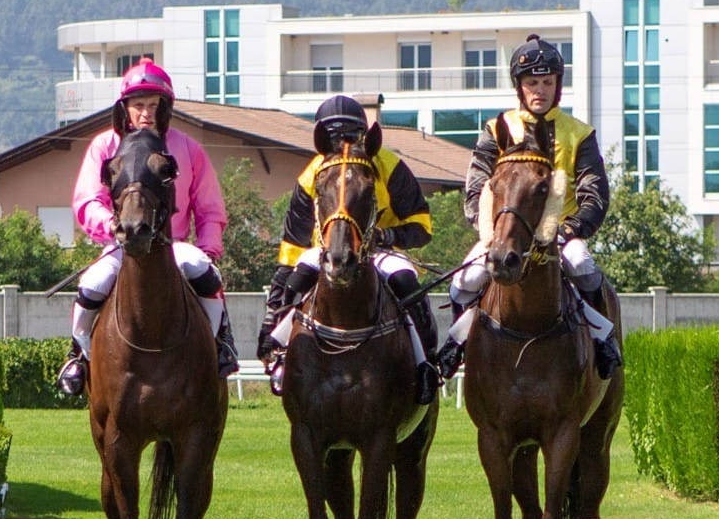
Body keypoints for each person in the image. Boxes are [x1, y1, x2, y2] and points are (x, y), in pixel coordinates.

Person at [435, 34, 622, 380]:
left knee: (582, 264)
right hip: (505, 234)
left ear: (558, 85)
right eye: (532, 82)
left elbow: (595, 193)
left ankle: (602, 339)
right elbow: (477, 187)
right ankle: (458, 342)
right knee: (467, 279)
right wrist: (489, 231)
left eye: (547, 82)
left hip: (560, 232)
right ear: (519, 86)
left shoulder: (579, 134)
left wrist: (571, 228)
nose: (540, 90)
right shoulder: (497, 128)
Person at [56, 61, 235, 396]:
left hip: (173, 245)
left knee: (202, 269)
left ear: (164, 108)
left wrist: (209, 247)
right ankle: (78, 355)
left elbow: (210, 207)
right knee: (92, 283)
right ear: (125, 107)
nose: (146, 113)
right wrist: (111, 224)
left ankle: (220, 344)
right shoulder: (104, 147)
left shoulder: (188, 149)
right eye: (139, 105)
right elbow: (86, 200)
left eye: (154, 106)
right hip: (121, 241)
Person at [257, 95, 440, 406]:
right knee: (299, 278)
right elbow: (293, 243)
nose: (343, 143)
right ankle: (282, 356)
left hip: (381, 250)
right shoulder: (312, 174)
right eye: (334, 137)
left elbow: (422, 225)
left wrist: (387, 234)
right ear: (322, 140)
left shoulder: (389, 165)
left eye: (350, 136)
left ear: (363, 136)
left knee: (406, 282)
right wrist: (273, 309)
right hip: (325, 250)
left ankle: (426, 363)